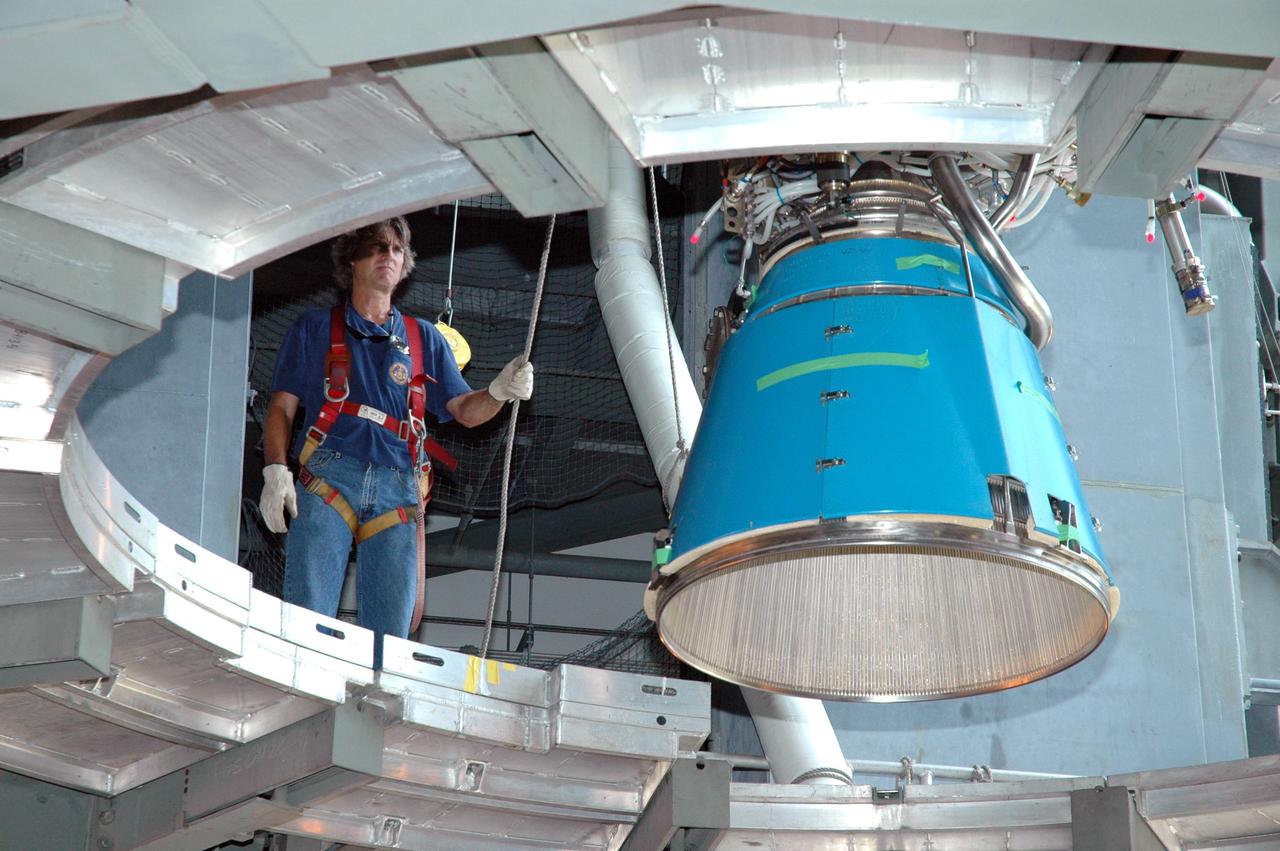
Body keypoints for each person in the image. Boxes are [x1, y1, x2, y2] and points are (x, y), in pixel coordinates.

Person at [259, 216, 532, 666]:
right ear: (352, 261)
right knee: (308, 617)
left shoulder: (424, 339)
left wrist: (498, 392)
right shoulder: (314, 330)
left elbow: (465, 411)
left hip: (399, 488)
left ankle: (374, 712)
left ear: (405, 265)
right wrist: (275, 470)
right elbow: (282, 408)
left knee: (392, 640)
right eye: (376, 247)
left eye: (396, 250)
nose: (389, 256)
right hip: (329, 474)